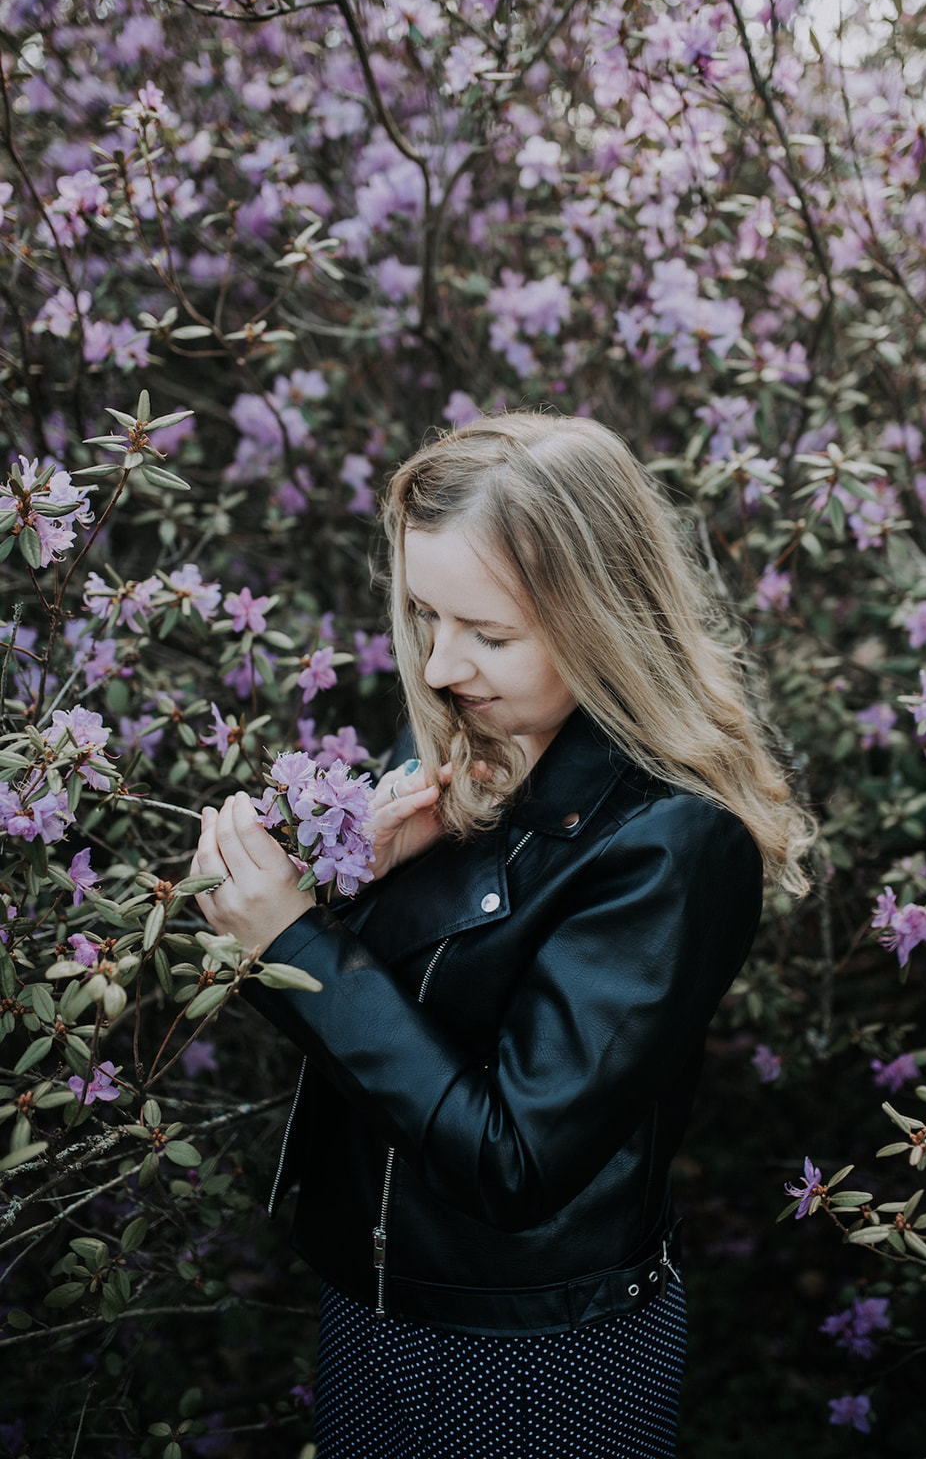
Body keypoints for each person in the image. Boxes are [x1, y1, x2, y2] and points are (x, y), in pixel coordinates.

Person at [191, 412, 811, 1459]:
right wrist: (341, 891)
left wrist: (295, 942)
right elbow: (400, 1025)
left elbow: (514, 1160)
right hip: (378, 1308)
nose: (440, 667)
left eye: (487, 633)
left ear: (600, 618)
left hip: (533, 1354)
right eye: (425, 616)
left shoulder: (673, 843)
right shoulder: (471, 746)